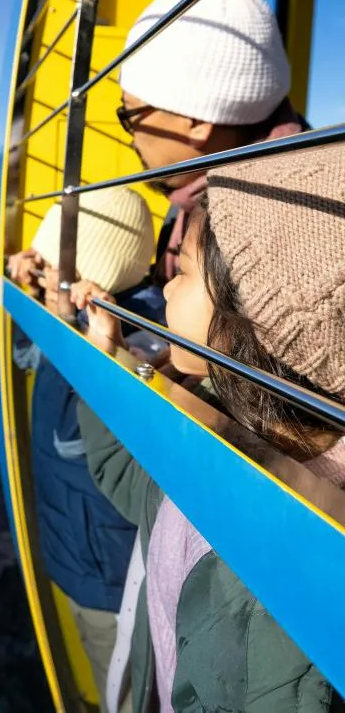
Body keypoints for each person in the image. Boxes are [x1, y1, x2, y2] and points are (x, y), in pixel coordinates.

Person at [71, 144, 345, 712]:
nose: (166, 285)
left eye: (187, 272)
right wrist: (105, 355)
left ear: (262, 324)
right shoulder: (220, 416)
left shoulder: (291, 592)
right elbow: (133, 480)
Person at [8, 187, 165, 713]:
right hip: (79, 556)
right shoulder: (76, 323)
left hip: (111, 582)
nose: (44, 271)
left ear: (93, 274)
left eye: (53, 264)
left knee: (121, 693)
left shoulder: (136, 342)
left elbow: (105, 435)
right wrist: (34, 299)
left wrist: (102, 346)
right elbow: (34, 360)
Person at [116, 0, 306, 282]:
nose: (130, 133)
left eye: (130, 111)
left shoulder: (265, 242)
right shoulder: (201, 191)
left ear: (198, 121)